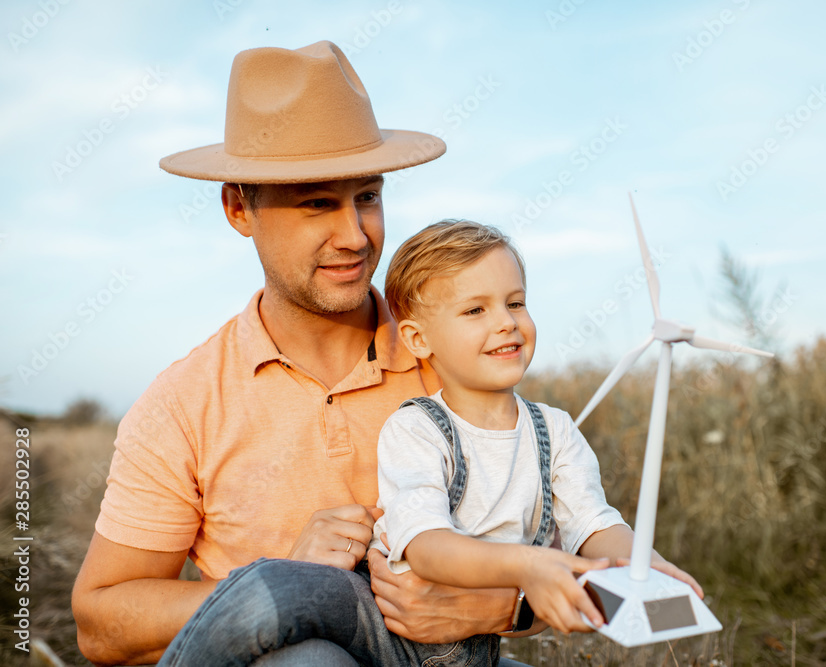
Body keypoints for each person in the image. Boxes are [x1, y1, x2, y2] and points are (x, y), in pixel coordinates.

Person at [71, 41, 534, 667]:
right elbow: (101, 623)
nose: (354, 235)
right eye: (318, 203)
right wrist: (284, 584)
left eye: (366, 196)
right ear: (240, 208)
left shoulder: (451, 353)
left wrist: (503, 608)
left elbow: (575, 558)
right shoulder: (183, 403)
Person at [154, 221, 704, 666]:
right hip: (380, 627)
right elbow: (427, 544)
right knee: (271, 585)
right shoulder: (417, 427)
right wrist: (529, 568)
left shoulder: (555, 430)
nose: (507, 324)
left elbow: (594, 524)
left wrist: (647, 565)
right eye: (476, 310)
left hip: (469, 652)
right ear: (418, 338)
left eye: (516, 303)